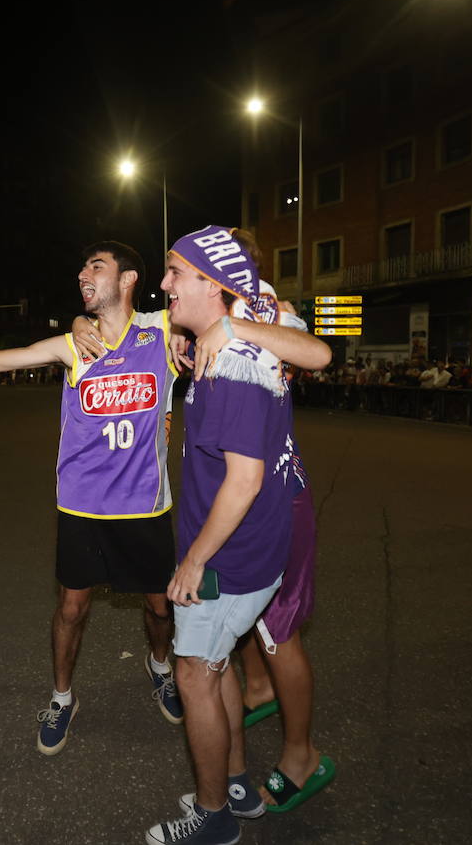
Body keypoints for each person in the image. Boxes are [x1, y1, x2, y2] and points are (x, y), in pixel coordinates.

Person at [0, 241, 328, 758]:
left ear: (128, 279)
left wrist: (270, 313)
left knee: (161, 608)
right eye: (82, 265)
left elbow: (238, 314)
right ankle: (62, 697)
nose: (83, 272)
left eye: (96, 265)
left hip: (145, 506)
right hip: (80, 507)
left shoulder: (162, 332)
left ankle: (160, 668)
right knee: (71, 607)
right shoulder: (74, 345)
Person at [145, 227, 300, 845]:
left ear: (213, 283)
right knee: (219, 663)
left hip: (228, 559)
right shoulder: (228, 344)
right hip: (251, 551)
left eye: (175, 272)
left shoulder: (232, 366)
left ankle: (213, 819)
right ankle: (235, 783)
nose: (164, 284)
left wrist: (194, 561)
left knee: (194, 674)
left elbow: (244, 480)